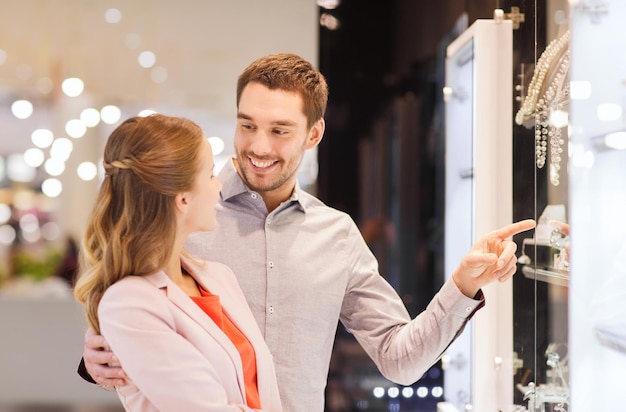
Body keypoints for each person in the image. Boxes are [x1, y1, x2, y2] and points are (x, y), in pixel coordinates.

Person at [80, 53, 536, 411]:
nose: (258, 146)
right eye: (247, 125)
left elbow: (400, 360)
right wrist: (95, 353)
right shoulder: (183, 214)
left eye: (280, 130)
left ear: (314, 134)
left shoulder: (336, 235)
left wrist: (462, 285)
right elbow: (126, 308)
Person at [73, 114, 282, 411]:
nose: (218, 186)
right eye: (210, 174)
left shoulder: (219, 277)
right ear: (182, 199)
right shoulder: (129, 302)